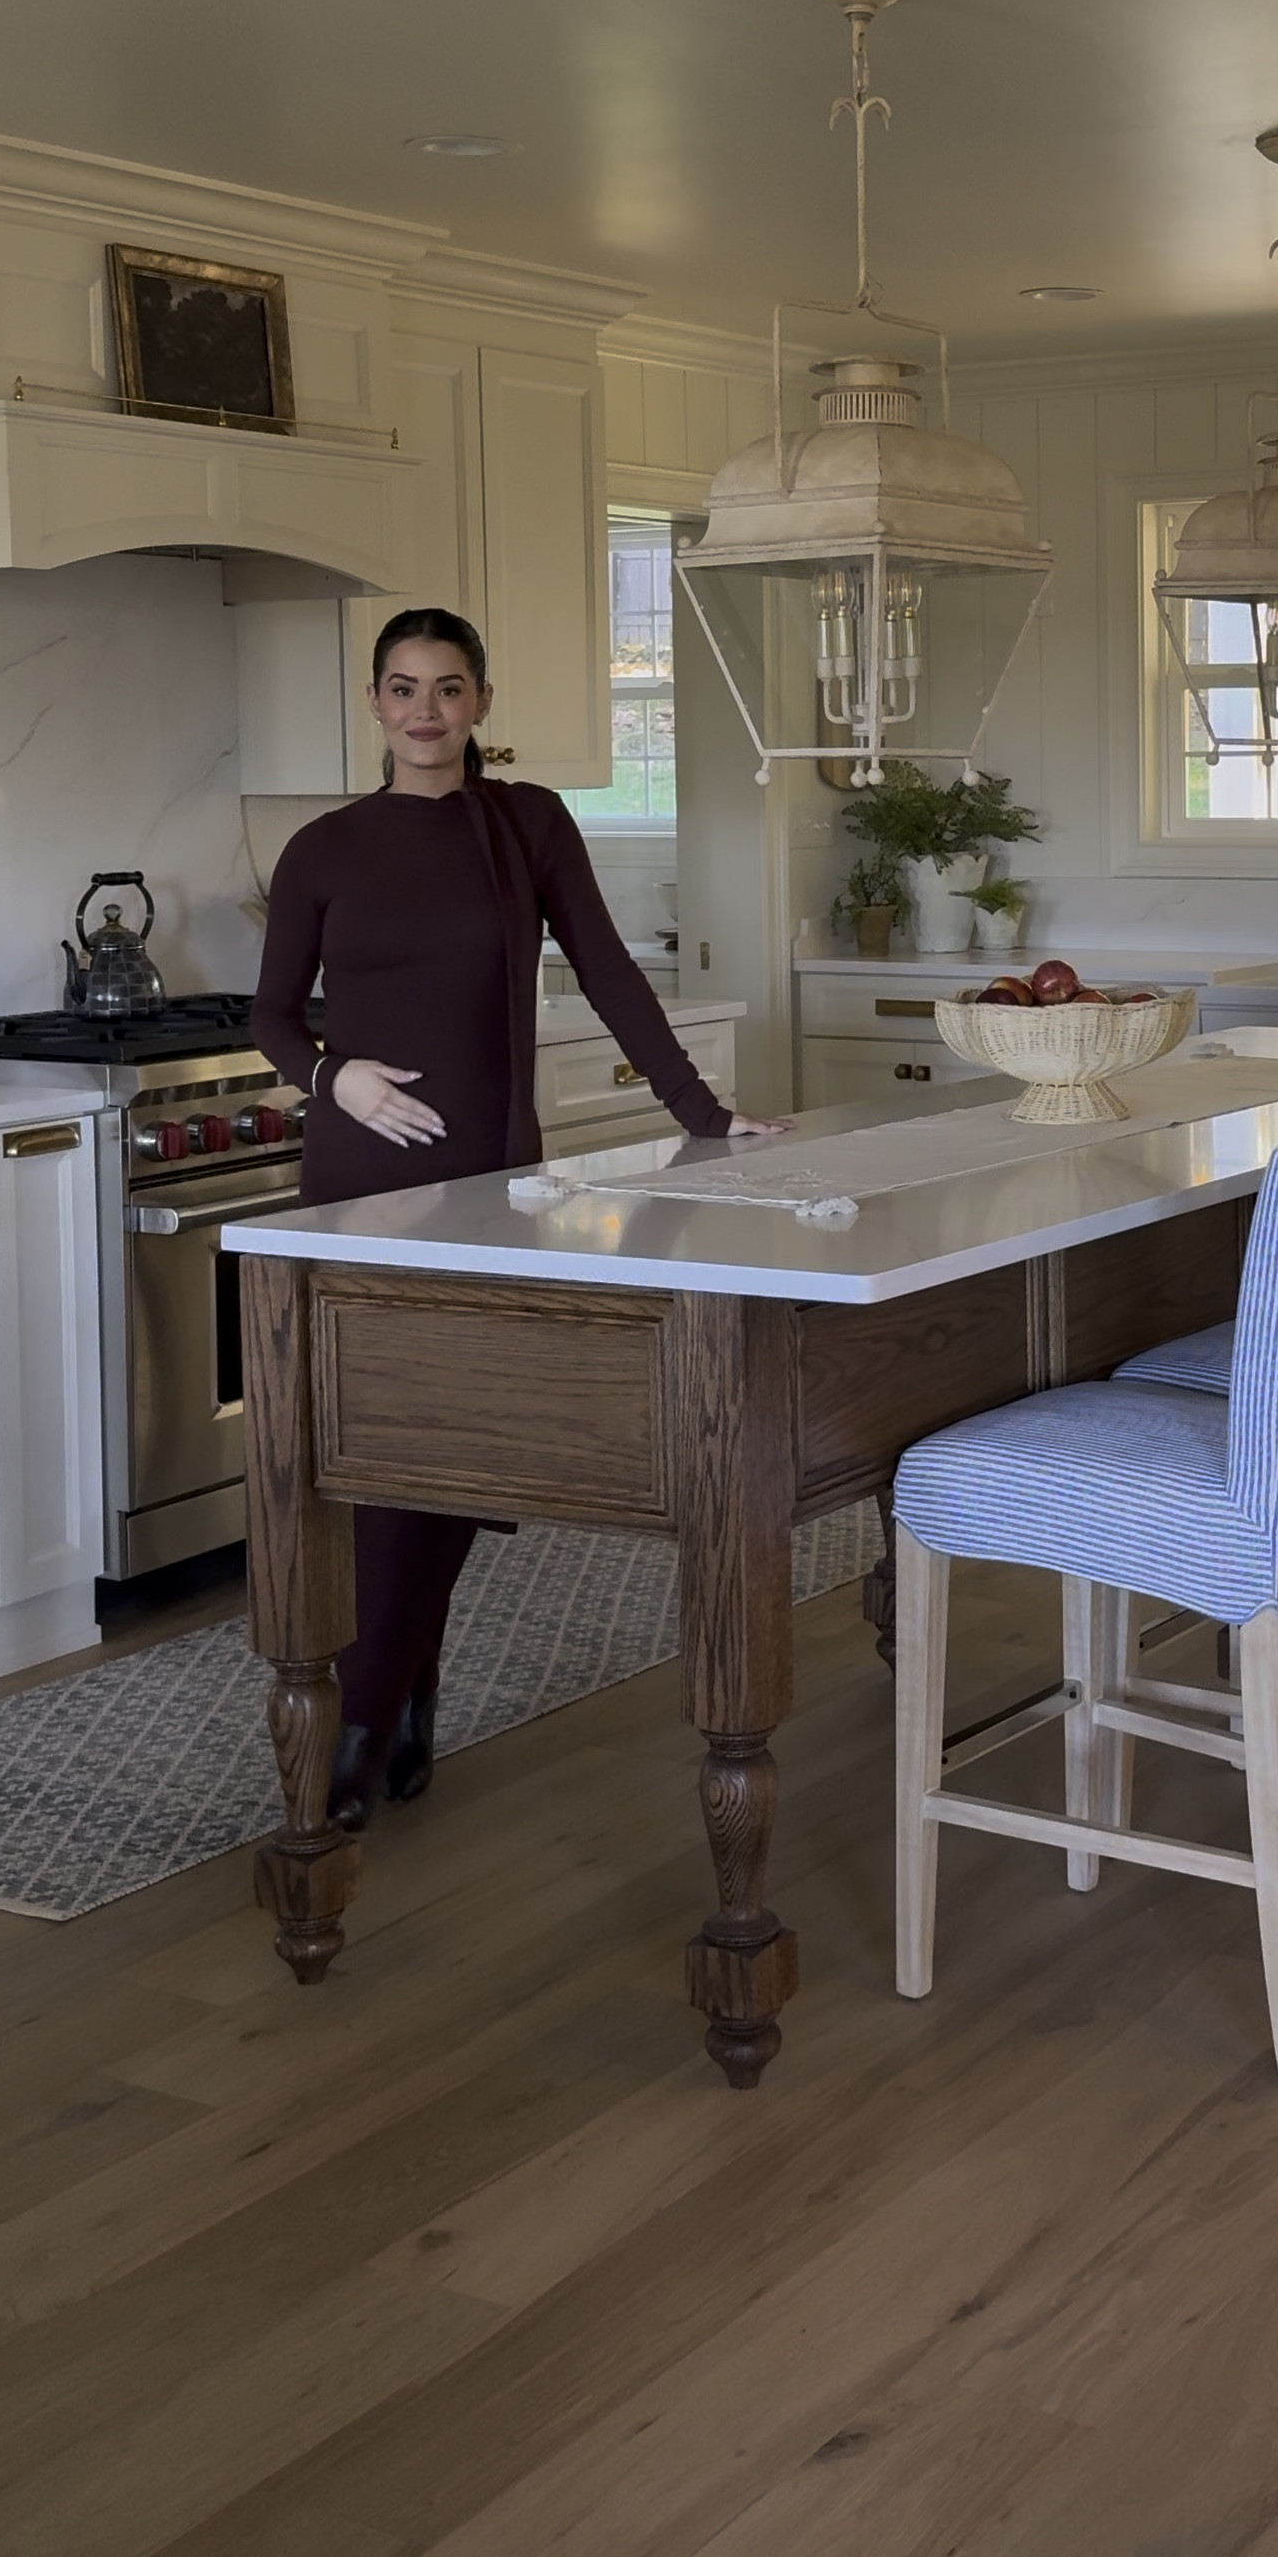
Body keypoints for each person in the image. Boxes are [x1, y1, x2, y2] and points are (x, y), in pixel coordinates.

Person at [250, 603, 786, 1827]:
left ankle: (385, 1697)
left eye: (447, 688)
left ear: (481, 703)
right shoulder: (322, 848)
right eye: (402, 688)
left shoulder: (527, 823)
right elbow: (271, 1013)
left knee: (457, 1438)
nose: (424, 711)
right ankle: (379, 1705)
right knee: (375, 1450)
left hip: (487, 1179)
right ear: (374, 703)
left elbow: (606, 969)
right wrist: (335, 1077)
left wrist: (707, 1116)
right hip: (356, 1180)